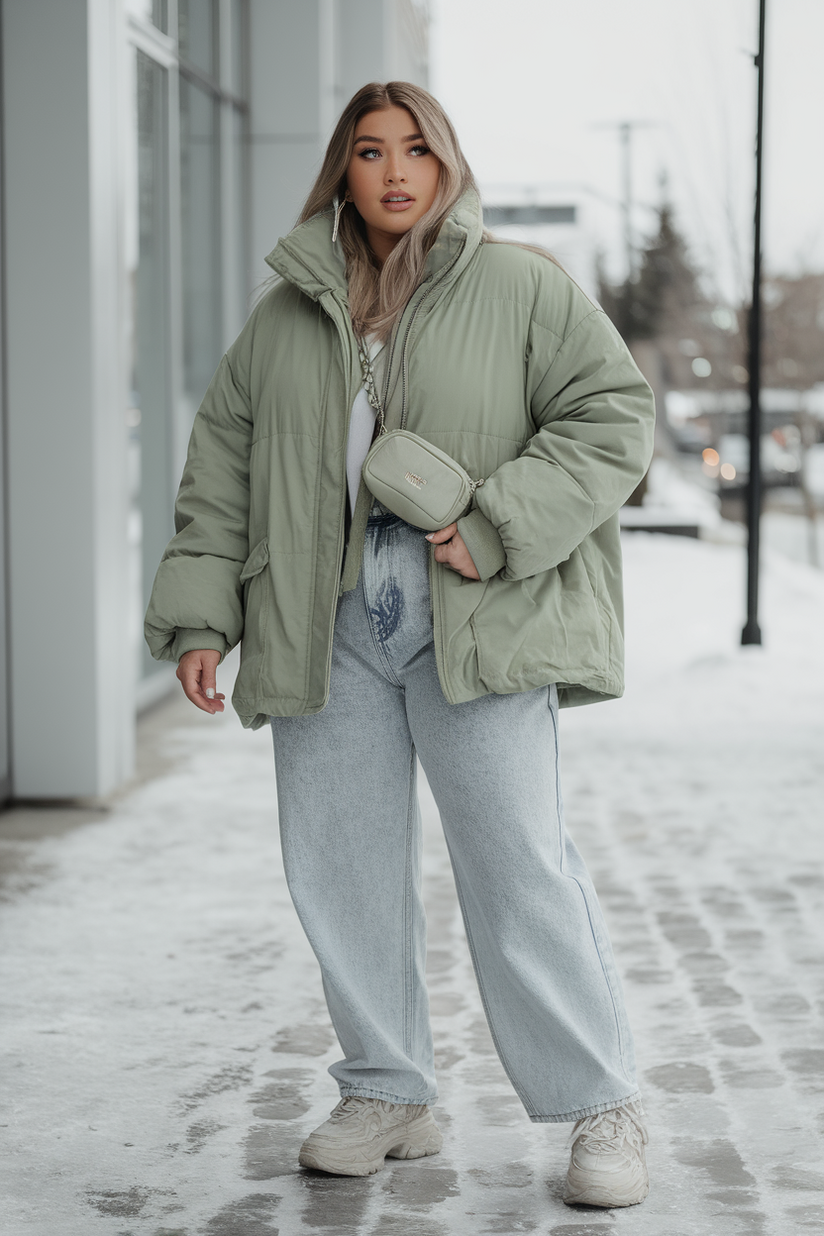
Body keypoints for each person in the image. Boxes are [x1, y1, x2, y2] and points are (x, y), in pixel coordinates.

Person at [145, 81, 655, 1208]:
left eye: (415, 149)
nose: (393, 171)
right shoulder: (282, 316)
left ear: (448, 164)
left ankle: (600, 1105)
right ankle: (389, 1091)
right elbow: (221, 472)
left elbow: (612, 415)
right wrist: (200, 614)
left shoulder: (520, 285)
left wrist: (493, 525)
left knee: (518, 867)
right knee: (340, 869)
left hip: (471, 614)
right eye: (369, 151)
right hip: (322, 622)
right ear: (341, 169)